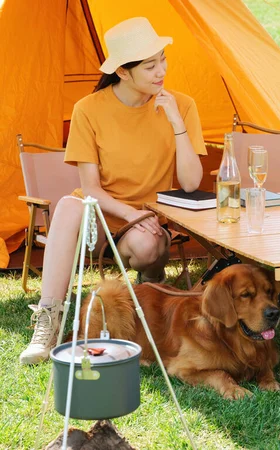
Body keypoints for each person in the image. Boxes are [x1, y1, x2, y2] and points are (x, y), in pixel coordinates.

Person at [19, 17, 207, 364]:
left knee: (149, 246)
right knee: (67, 205)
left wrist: (177, 125)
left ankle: (151, 285)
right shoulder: (88, 110)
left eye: (162, 60)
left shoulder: (182, 105)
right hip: (99, 213)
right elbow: (89, 188)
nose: (160, 71)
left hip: (148, 221)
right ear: (122, 71)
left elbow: (192, 183)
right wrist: (130, 213)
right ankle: (47, 323)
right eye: (150, 66)